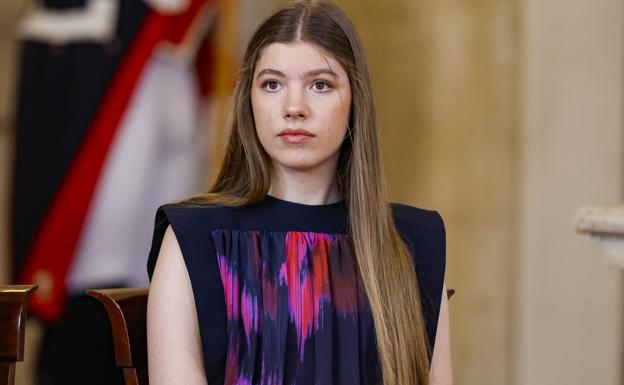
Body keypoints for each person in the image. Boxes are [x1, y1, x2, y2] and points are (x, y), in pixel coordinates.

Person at [145, 1, 452, 384]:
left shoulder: (414, 240)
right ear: (249, 101)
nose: (294, 107)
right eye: (272, 84)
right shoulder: (193, 236)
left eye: (320, 85)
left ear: (355, 102)